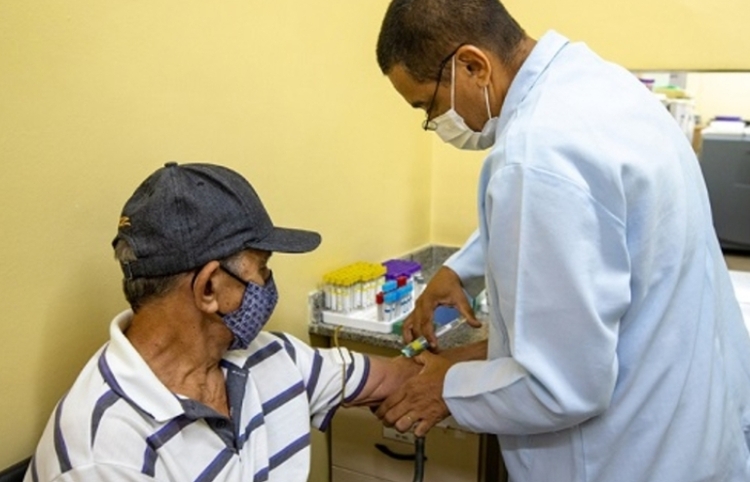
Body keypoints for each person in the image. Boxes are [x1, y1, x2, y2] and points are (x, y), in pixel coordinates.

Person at [372, 0, 750, 481]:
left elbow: (561, 386)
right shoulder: (597, 85)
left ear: (473, 65)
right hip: (697, 430)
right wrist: (459, 269)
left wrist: (445, 389)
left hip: (629, 459)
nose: (434, 123)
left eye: (428, 106)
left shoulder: (536, 154)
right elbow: (589, 215)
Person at [25, 162, 419, 481]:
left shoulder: (269, 356)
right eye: (261, 268)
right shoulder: (103, 456)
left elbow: (396, 379)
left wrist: (448, 375)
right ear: (209, 287)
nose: (268, 282)